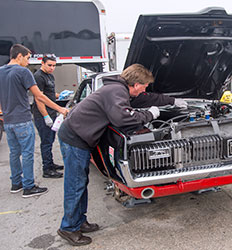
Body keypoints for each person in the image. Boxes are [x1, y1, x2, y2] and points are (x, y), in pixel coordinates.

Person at [57, 63, 187, 246]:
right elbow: (123, 118)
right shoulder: (115, 92)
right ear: (135, 84)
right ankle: (68, 228)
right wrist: (149, 115)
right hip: (75, 138)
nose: (144, 90)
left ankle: (79, 221)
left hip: (79, 135)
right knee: (75, 183)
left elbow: (146, 99)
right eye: (144, 86)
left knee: (80, 181)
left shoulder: (120, 89)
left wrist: (172, 102)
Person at [0, 44, 68, 198]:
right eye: (27, 58)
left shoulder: (1, 72)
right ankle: (29, 186)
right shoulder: (23, 72)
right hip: (23, 120)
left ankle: (16, 183)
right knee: (28, 153)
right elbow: (39, 96)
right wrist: (60, 109)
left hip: (8, 121)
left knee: (14, 153)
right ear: (19, 56)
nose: (28, 62)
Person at [32, 55, 63, 178]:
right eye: (49, 65)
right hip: (43, 115)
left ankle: (51, 164)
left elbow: (48, 93)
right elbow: (39, 98)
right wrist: (45, 116)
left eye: (54, 66)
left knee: (50, 140)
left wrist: (58, 95)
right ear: (42, 63)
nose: (52, 68)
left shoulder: (50, 76)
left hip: (52, 112)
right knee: (46, 142)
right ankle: (47, 169)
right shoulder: (38, 77)